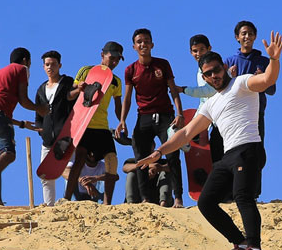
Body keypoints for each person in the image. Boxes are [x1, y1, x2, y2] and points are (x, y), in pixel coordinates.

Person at [138, 32, 282, 250]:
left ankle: (256, 249)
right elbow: (186, 133)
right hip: (228, 155)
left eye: (216, 70)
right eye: (208, 74)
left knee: (243, 196)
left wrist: (274, 60)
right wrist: (159, 152)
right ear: (204, 77)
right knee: (205, 202)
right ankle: (240, 243)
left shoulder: (241, 83)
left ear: (224, 68)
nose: (214, 76)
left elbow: (267, 79)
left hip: (248, 148)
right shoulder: (211, 103)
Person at [116, 28, 185, 207]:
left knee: (172, 154)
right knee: (140, 155)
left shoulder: (162, 64)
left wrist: (180, 113)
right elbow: (127, 98)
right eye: (139, 42)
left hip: (165, 116)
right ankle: (145, 198)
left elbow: (173, 90)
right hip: (144, 117)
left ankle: (178, 197)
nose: (143, 44)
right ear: (134, 46)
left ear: (152, 44)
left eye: (146, 41)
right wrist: (122, 120)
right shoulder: (130, 69)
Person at [0, 48, 47, 205]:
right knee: (9, 153)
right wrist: (40, 109)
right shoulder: (21, 69)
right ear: (25, 60)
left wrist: (22, 124)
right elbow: (23, 101)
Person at [63, 42, 125, 205]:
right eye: (112, 58)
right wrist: (79, 89)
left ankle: (107, 204)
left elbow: (118, 106)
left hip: (102, 127)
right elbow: (69, 95)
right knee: (79, 160)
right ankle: (66, 199)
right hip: (85, 124)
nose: (114, 62)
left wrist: (122, 120)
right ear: (102, 55)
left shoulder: (116, 81)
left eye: (118, 60)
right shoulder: (86, 71)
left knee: (112, 160)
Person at [28, 50, 75, 206]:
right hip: (47, 141)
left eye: (53, 64)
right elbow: (38, 115)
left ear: (59, 65)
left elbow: (75, 104)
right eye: (47, 64)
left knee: (69, 170)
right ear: (43, 67)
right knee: (45, 174)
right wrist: (42, 131)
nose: (50, 67)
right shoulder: (41, 89)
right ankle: (49, 206)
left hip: (66, 137)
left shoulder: (67, 82)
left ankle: (68, 203)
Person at [224, 21, 276, 141]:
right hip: (234, 112)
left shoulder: (264, 62)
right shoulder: (229, 62)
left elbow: (272, 90)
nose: (247, 36)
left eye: (251, 34)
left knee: (257, 148)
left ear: (255, 36)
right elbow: (221, 89)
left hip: (256, 113)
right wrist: (229, 77)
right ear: (237, 37)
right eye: (244, 33)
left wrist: (264, 79)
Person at [176, 34, 224, 163]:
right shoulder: (200, 69)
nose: (198, 54)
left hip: (221, 116)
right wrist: (195, 120)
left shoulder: (214, 67)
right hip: (210, 115)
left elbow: (208, 91)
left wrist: (184, 90)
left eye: (202, 49)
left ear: (209, 48)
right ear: (190, 52)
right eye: (195, 51)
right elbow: (204, 101)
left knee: (220, 151)